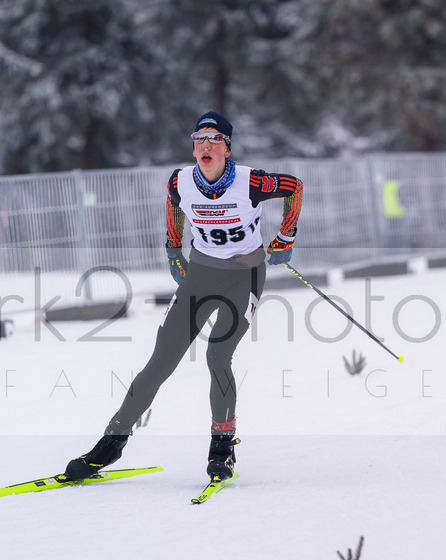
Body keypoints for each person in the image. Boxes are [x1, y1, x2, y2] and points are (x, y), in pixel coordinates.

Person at [62, 111, 304, 484]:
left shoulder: (250, 181)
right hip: (202, 276)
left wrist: (286, 236)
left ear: (227, 147)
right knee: (162, 358)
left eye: (214, 139)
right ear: (193, 148)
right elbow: (173, 206)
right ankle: (110, 443)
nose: (205, 146)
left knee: (218, 354)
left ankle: (222, 448)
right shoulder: (181, 181)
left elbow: (295, 186)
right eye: (199, 140)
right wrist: (174, 251)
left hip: (246, 277)